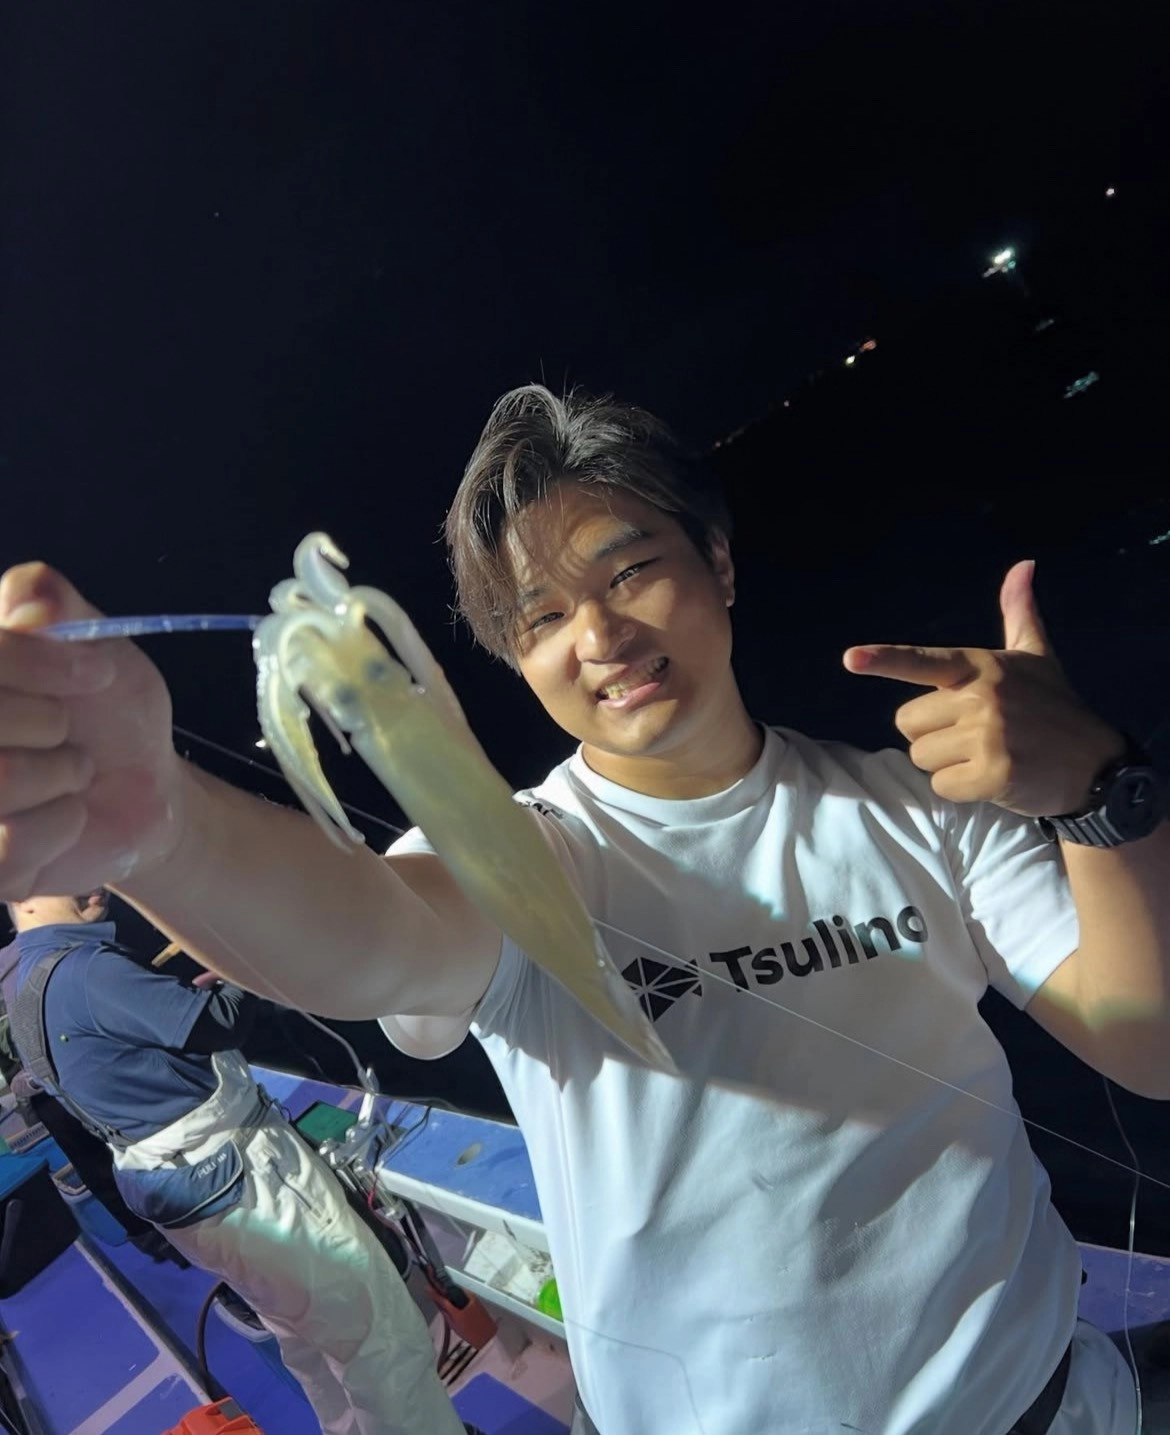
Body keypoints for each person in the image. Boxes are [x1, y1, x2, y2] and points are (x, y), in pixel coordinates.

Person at [0, 385, 1165, 1434]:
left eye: (628, 572)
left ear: (718, 561)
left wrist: (1101, 792)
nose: (601, 638)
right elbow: (374, 937)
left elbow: (1149, 1044)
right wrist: (159, 831)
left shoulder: (917, 808)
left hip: (1046, 1406)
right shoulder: (523, 858)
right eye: (543, 616)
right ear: (514, 656)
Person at [1, 889, 471, 1435]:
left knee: (302, 1335)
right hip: (249, 1183)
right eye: (66, 870)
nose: (95, 881)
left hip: (186, 1197)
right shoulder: (89, 971)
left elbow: (111, 1048)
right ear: (22, 892)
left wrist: (171, 1003)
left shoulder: (25, 983)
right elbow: (221, 1023)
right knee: (378, 1336)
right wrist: (240, 965)